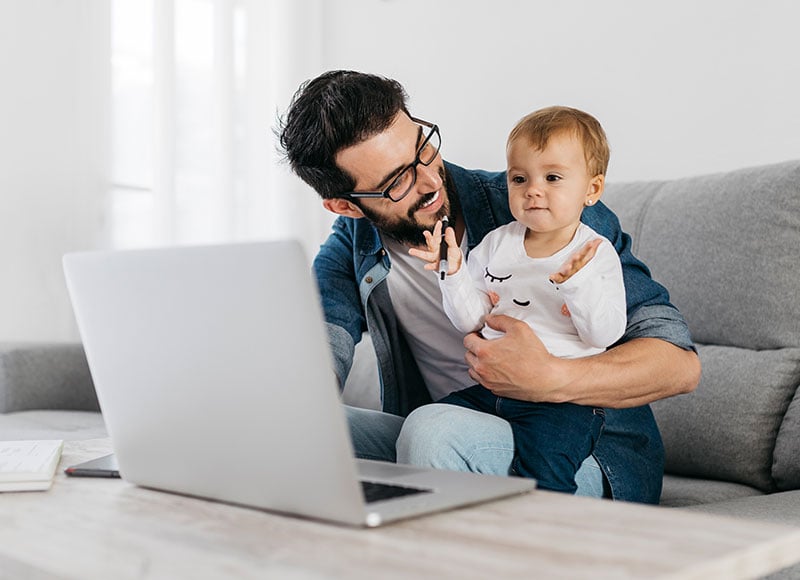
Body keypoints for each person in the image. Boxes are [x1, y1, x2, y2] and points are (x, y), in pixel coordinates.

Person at [278, 70, 700, 503]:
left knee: (431, 429)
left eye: (423, 148)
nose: (428, 181)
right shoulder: (354, 244)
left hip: (585, 453)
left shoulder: (540, 212)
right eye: (396, 181)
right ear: (346, 206)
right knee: (294, 432)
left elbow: (679, 364)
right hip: (460, 426)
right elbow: (323, 343)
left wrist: (552, 377)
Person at [408, 106, 625, 492]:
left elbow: (603, 334)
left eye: (553, 177)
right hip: (494, 390)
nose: (533, 190)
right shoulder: (497, 243)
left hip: (562, 403)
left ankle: (541, 539)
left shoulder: (595, 251)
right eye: (519, 178)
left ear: (591, 190)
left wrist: (576, 284)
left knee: (545, 471)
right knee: (428, 421)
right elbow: (471, 320)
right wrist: (452, 273)